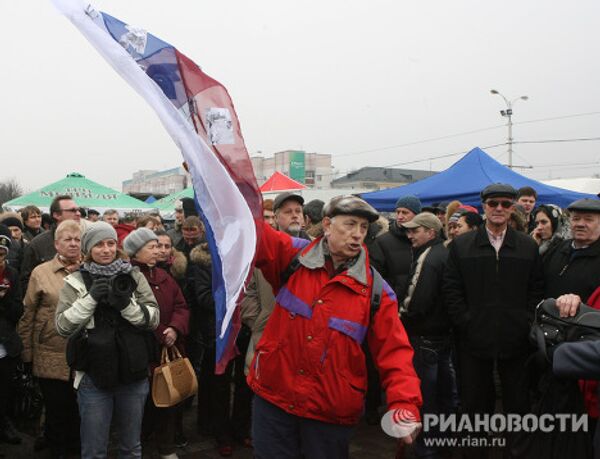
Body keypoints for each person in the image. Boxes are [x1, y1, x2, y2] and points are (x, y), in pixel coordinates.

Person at [247, 195, 422, 458]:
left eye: (363, 228)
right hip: (274, 402)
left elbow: (395, 353)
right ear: (327, 224)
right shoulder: (294, 257)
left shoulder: (377, 292)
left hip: (327, 415)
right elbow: (249, 231)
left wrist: (404, 403)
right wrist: (214, 181)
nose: (357, 234)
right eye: (350, 224)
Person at [443, 183, 544, 457]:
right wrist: (465, 322)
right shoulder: (462, 245)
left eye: (505, 204)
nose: (499, 209)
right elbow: (452, 289)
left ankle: (517, 452)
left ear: (513, 209)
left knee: (517, 403)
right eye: (493, 204)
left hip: (516, 340)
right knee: (475, 402)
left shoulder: (526, 246)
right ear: (484, 206)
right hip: (473, 339)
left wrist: (524, 322)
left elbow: (536, 290)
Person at [55, 222, 159, 458]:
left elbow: (153, 319)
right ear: (88, 249)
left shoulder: (133, 275)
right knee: (93, 450)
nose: (106, 250)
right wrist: (90, 299)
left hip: (132, 374)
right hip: (93, 376)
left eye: (111, 243)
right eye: (98, 245)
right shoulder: (75, 281)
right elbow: (62, 326)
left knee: (131, 447)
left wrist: (125, 304)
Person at [18, 220, 82, 457]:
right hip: (50, 352)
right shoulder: (41, 272)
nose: (73, 244)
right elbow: (28, 314)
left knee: (79, 411)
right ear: (56, 244)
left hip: (84, 354)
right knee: (57, 411)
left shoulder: (91, 269)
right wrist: (26, 354)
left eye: (77, 239)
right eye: (68, 239)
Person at [123, 228, 190, 459]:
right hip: (143, 351)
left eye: (160, 246)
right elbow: (134, 313)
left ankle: (166, 446)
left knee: (168, 399)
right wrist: (162, 332)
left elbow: (181, 305)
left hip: (168, 349)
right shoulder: (127, 277)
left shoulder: (164, 275)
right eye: (152, 247)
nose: (158, 251)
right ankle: (138, 443)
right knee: (141, 403)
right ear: (135, 252)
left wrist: (175, 328)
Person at [401, 213, 458, 458]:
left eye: (416, 230)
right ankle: (443, 443)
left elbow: (417, 299)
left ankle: (428, 448)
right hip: (442, 337)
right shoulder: (443, 253)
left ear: (431, 233)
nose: (410, 235)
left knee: (427, 398)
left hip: (425, 338)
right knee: (445, 396)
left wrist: (400, 318)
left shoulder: (429, 257)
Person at [187, 240, 252, 456]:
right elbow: (204, 297)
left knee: (245, 382)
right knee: (219, 385)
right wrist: (233, 298)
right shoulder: (205, 260)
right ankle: (221, 433)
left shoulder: (248, 257)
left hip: (246, 328)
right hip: (219, 331)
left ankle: (241, 428)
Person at [543, 198, 600, 318]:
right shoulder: (557, 249)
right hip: (549, 326)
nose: (580, 224)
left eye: (588, 219)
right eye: (576, 219)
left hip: (586, 331)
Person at [21, 195, 81, 289]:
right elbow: (26, 282)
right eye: (73, 210)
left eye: (78, 210)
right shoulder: (37, 244)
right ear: (56, 215)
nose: (78, 213)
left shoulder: (86, 240)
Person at [0, 224, 23, 445]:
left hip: (5, 344)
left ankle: (4, 424)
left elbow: (18, 311)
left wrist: (4, 298)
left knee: (4, 391)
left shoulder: (12, 274)